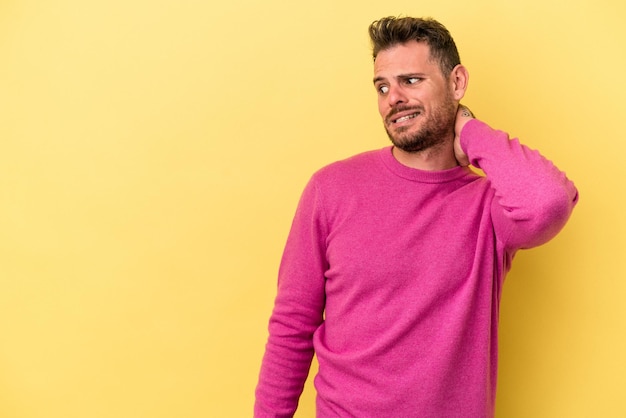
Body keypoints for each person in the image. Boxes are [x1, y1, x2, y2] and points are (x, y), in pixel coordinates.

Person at [254, 16, 578, 417]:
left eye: (411, 81)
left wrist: (470, 130)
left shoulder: (490, 207)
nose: (393, 98)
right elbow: (292, 327)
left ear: (457, 83)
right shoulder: (331, 188)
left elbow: (547, 202)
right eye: (382, 86)